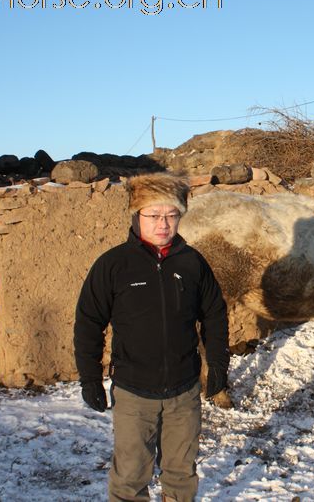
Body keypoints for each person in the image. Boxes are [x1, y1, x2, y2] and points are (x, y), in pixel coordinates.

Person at [74, 172, 229, 502]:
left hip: (184, 393)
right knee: (130, 477)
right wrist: (89, 378)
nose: (164, 224)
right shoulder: (114, 265)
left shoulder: (192, 263)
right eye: (154, 215)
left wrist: (217, 364)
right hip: (134, 393)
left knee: (181, 474)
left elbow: (214, 313)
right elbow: (88, 322)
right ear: (136, 215)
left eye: (172, 215)